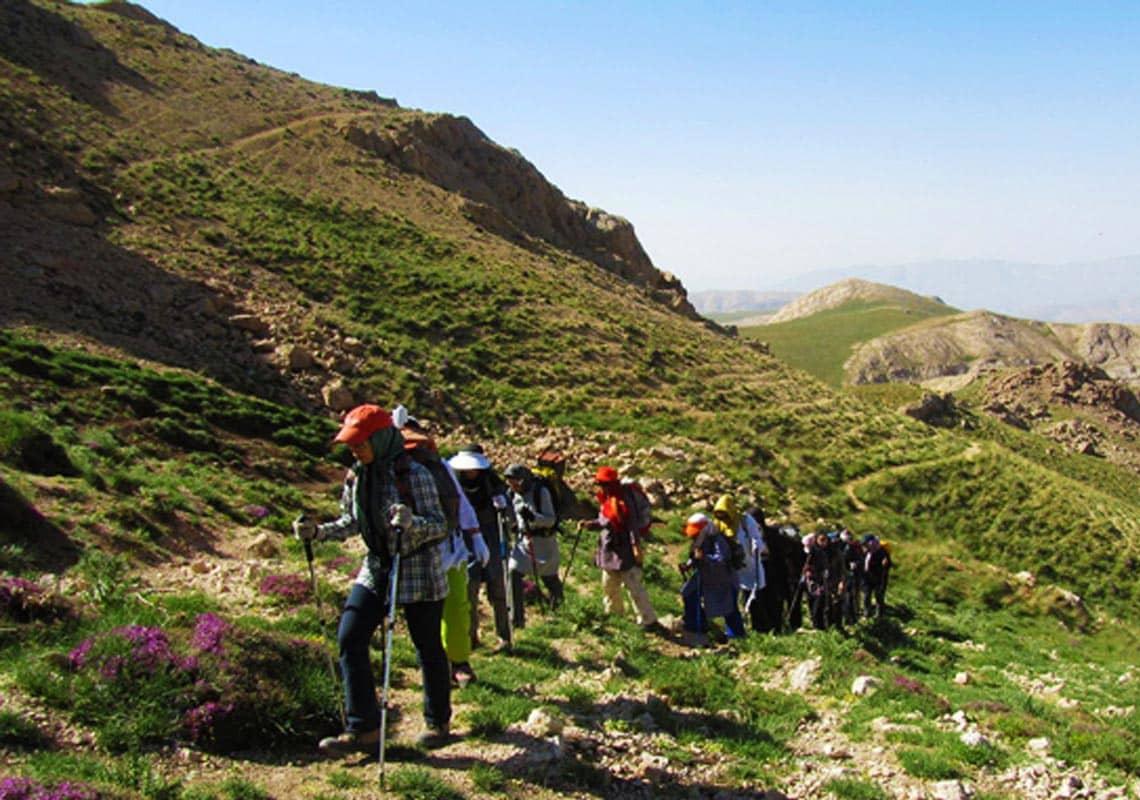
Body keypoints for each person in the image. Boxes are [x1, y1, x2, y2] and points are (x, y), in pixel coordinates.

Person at [292, 404, 452, 755]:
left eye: (360, 443)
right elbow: (350, 522)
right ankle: (362, 728)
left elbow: (440, 524)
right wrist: (316, 532)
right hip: (378, 565)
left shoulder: (416, 475)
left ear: (380, 439)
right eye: (351, 443)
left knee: (427, 646)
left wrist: (412, 523)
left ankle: (437, 721)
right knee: (349, 637)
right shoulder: (356, 475)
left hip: (419, 569)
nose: (354, 449)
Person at [398, 415, 489, 688]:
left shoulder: (442, 468)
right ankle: (436, 664)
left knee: (456, 608)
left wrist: (475, 536)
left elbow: (460, 504)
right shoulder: (390, 469)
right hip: (415, 552)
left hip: (450, 548)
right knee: (427, 611)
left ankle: (459, 661)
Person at [581, 466, 664, 634]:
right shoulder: (606, 498)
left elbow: (632, 524)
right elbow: (605, 521)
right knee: (609, 584)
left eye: (603, 483)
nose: (601, 486)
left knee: (633, 585)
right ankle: (614, 615)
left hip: (625, 549)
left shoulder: (623, 499)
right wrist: (590, 524)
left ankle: (648, 620)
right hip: (609, 548)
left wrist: (635, 547)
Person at [449, 445, 512, 652]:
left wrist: (503, 505)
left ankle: (504, 636)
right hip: (466, 541)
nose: (471, 473)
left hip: (492, 538)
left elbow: (509, 514)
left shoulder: (492, 483)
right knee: (469, 590)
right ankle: (471, 636)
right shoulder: (454, 484)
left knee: (498, 589)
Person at [503, 463, 564, 627]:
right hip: (524, 543)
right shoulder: (512, 494)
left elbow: (550, 520)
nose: (513, 486)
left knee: (550, 578)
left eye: (516, 482)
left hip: (544, 543)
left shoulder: (540, 492)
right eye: (510, 482)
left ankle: (559, 613)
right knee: (513, 573)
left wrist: (533, 518)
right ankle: (516, 619)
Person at [680, 512, 745, 646]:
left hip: (724, 580)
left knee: (729, 608)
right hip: (706, 577)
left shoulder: (718, 539)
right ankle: (696, 625)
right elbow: (695, 556)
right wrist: (688, 565)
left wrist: (704, 558)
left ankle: (737, 636)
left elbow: (722, 559)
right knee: (688, 593)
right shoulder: (699, 540)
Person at [712, 494, 768, 633]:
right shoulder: (718, 525)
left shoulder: (745, 521)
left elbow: (756, 537)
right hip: (732, 568)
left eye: (724, 514)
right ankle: (737, 629)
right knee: (734, 599)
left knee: (755, 598)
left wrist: (756, 545)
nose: (723, 518)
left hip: (750, 565)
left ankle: (760, 628)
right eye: (719, 515)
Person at [804, 531, 843, 630]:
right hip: (817, 582)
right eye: (821, 540)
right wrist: (809, 573)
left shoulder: (833, 551)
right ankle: (818, 626)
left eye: (825, 540)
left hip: (831, 581)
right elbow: (808, 566)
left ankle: (834, 626)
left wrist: (840, 581)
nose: (823, 542)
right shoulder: (814, 551)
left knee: (832, 604)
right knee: (817, 604)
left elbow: (839, 567)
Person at [836, 529, 864, 625]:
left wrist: (856, 563)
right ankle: (846, 617)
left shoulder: (855, 547)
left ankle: (852, 617)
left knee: (851, 596)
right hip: (842, 574)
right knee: (845, 596)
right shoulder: (838, 545)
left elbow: (860, 559)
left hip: (852, 575)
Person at [862, 534, 891, 618]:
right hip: (867, 578)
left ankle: (879, 614)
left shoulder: (882, 551)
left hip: (879, 577)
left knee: (879, 596)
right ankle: (867, 612)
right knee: (866, 596)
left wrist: (885, 564)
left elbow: (888, 564)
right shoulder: (866, 551)